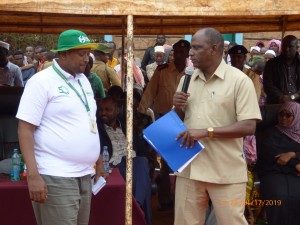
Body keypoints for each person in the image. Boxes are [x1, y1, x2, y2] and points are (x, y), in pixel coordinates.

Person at [16, 29, 108, 225]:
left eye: (87, 53)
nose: (86, 59)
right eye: (80, 54)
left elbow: (87, 122)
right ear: (63, 54)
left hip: (84, 174)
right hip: (55, 176)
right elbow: (25, 129)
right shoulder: (41, 82)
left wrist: (97, 159)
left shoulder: (83, 80)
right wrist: (33, 175)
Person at [173, 28, 261, 225]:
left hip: (225, 171)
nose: (190, 53)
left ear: (214, 49)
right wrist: (177, 107)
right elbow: (177, 121)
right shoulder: (187, 79)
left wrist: (206, 132)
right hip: (190, 169)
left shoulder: (240, 81)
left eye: (197, 47)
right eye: (191, 48)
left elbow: (248, 126)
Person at [138, 39, 190, 211]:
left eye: (184, 52)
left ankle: (182, 200)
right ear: (172, 54)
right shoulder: (162, 71)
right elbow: (150, 91)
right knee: (166, 163)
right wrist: (141, 110)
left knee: (186, 163)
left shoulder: (194, 73)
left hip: (187, 122)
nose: (180, 55)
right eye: (177, 52)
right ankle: (165, 199)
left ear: (188, 53)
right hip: (166, 120)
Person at [97, 96, 152, 225]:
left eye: (108, 109)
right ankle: (137, 208)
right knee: (140, 179)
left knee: (142, 162)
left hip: (133, 163)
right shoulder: (97, 129)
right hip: (112, 166)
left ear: (117, 110)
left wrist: (146, 159)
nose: (103, 113)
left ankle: (136, 204)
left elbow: (143, 151)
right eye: (101, 110)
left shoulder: (128, 127)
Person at [256, 102, 300, 225]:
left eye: (288, 115)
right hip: (274, 172)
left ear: (296, 116)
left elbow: (286, 157)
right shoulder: (270, 133)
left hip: (295, 175)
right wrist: (295, 163)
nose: (283, 118)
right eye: (281, 114)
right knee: (278, 197)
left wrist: (292, 155)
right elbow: (274, 156)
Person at [263, 35, 300, 104]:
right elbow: (268, 85)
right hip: (276, 103)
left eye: (290, 46)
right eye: (284, 46)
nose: (287, 49)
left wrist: (295, 96)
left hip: (298, 103)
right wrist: (281, 97)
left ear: (297, 47)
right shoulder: (271, 64)